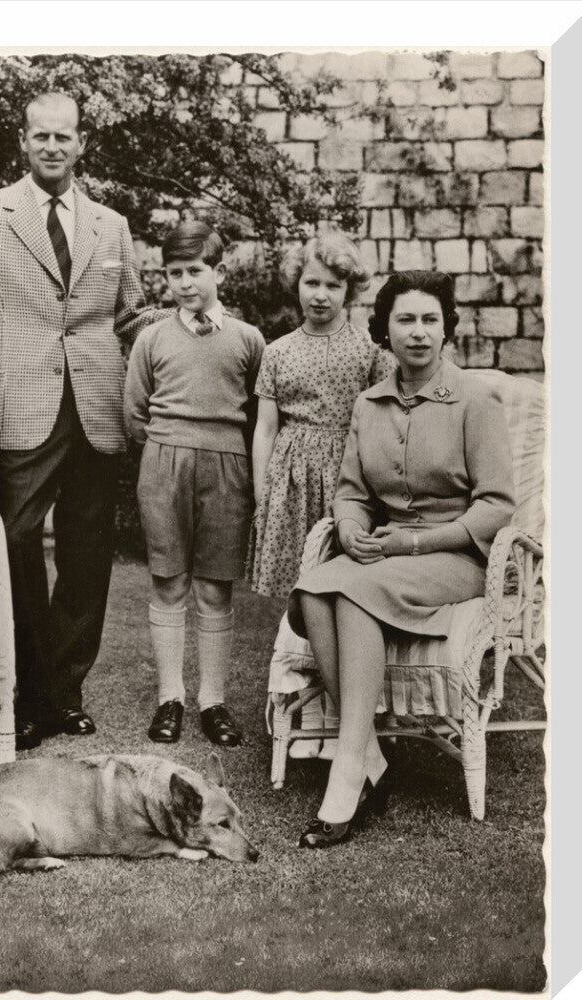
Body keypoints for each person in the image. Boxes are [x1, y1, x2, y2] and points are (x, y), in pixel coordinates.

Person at [0, 91, 167, 750]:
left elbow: (130, 316)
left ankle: (65, 693)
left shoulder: (111, 224)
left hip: (97, 408)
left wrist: (184, 327)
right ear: (24, 142)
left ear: (82, 145)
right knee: (13, 541)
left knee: (86, 556)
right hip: (18, 404)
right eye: (41, 136)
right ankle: (26, 689)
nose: (53, 146)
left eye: (65, 137)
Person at [287, 270, 516, 848]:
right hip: (386, 553)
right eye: (405, 320)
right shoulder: (369, 404)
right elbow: (351, 492)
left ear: (447, 330)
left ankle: (346, 774)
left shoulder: (475, 399)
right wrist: (351, 528)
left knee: (356, 592)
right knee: (315, 589)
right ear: (384, 331)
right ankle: (372, 759)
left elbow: (495, 506)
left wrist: (412, 543)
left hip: (457, 555)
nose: (418, 333)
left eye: (430, 320)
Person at [249, 234, 393, 757]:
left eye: (333, 285)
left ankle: (346, 718)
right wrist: (264, 491)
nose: (321, 295)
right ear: (297, 286)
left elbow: (380, 422)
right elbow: (265, 428)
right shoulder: (277, 351)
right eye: (312, 282)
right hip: (291, 478)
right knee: (300, 597)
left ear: (349, 290)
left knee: (344, 593)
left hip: (348, 479)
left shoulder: (368, 352)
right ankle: (306, 710)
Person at [124, 221, 265, 748]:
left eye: (195, 271)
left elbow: (260, 412)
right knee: (168, 580)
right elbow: (135, 412)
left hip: (228, 465)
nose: (184, 282)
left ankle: (213, 700)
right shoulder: (152, 337)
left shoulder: (248, 339)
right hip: (165, 463)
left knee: (214, 584)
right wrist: (168, 449)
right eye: (174, 272)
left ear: (219, 272)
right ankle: (170, 697)